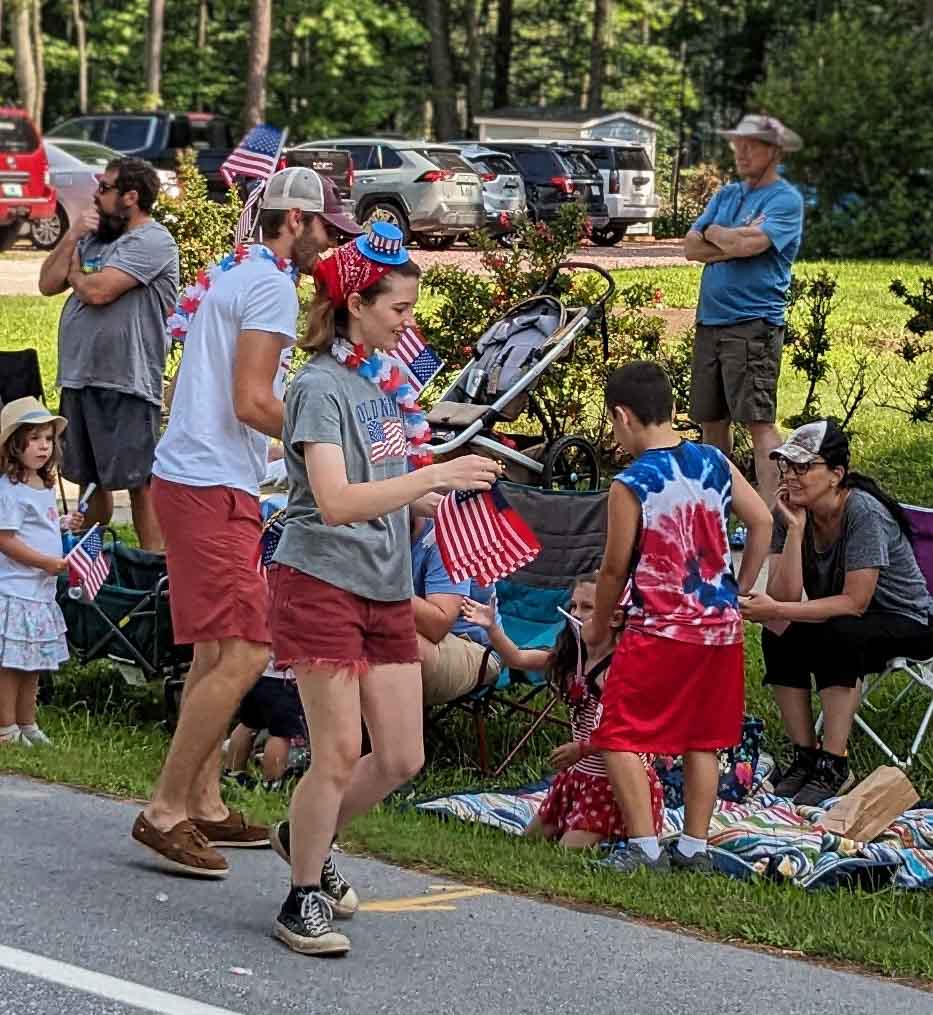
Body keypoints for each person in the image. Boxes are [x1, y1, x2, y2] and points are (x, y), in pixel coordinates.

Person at [264, 224, 502, 957]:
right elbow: (335, 500)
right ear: (355, 306)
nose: (408, 321)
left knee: (400, 756)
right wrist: (436, 473)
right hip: (322, 580)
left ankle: (304, 835)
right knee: (338, 751)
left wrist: (433, 499)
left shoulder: (380, 380)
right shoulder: (317, 387)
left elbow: (381, 481)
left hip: (385, 582)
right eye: (398, 308)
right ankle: (301, 896)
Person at [131, 167, 353, 879]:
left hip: (191, 475)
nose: (329, 242)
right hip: (210, 484)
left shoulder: (237, 274)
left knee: (214, 651)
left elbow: (197, 388)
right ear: (294, 221)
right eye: (324, 227)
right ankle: (165, 808)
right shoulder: (270, 286)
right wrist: (331, 438)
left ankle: (203, 799)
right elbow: (253, 400)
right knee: (248, 650)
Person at [583, 361, 772, 874]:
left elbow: (614, 567)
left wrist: (599, 625)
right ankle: (694, 846)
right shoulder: (714, 460)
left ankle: (644, 848)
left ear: (623, 416)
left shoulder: (631, 483)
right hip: (719, 629)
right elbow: (762, 521)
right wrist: (739, 588)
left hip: (661, 629)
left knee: (618, 732)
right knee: (702, 739)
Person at [740, 419, 933, 805]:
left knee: (839, 631)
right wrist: (795, 530)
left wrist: (777, 606)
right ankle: (805, 756)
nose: (790, 476)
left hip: (908, 620)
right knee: (778, 629)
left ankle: (834, 764)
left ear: (836, 474)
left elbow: (855, 602)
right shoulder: (791, 512)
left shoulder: (863, 512)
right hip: (848, 619)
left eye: (803, 467)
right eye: (787, 466)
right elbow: (784, 596)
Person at [461, 572, 664, 849]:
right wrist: (492, 628)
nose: (576, 614)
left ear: (616, 618)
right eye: (573, 606)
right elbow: (517, 658)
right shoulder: (571, 659)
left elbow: (626, 733)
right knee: (529, 840)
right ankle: (600, 834)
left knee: (567, 849)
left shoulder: (619, 669)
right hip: (579, 776)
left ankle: (618, 833)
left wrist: (581, 748)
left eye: (587, 607)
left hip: (613, 786)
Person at [37, 157, 179, 551]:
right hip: (79, 376)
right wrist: (72, 236)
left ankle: (152, 571)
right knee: (90, 480)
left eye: (104, 188)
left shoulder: (153, 241)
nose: (95, 195)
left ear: (130, 196)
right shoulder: (94, 237)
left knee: (139, 482)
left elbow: (98, 291)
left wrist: (77, 275)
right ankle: (94, 567)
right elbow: (47, 283)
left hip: (127, 381)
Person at [684, 114, 805, 507]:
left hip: (753, 325)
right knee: (711, 422)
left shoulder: (785, 200)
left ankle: (774, 520)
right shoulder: (727, 195)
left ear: (775, 152)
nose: (741, 151)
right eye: (738, 143)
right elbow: (690, 248)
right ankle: (717, 512)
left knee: (759, 423)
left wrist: (718, 235)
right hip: (710, 322)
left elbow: (748, 245)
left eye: (751, 144)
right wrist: (728, 239)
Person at [0, 398, 83, 747]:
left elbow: (39, 525)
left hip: (40, 592)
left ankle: (27, 720)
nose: (43, 446)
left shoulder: (42, 484)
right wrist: (44, 562)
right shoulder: (10, 489)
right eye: (34, 438)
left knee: (32, 660)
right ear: (14, 444)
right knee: (11, 664)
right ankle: (6, 727)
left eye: (48, 438)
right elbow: (5, 539)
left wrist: (63, 523)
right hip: (17, 590)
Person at [412, 515, 500, 706]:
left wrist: (379, 585)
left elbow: (437, 626)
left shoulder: (447, 536)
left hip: (474, 647)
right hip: (420, 636)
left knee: (396, 642)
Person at [224, 661, 307, 788]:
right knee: (281, 734)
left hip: (256, 673)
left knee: (248, 724)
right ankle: (272, 784)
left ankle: (232, 773)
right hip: (283, 678)